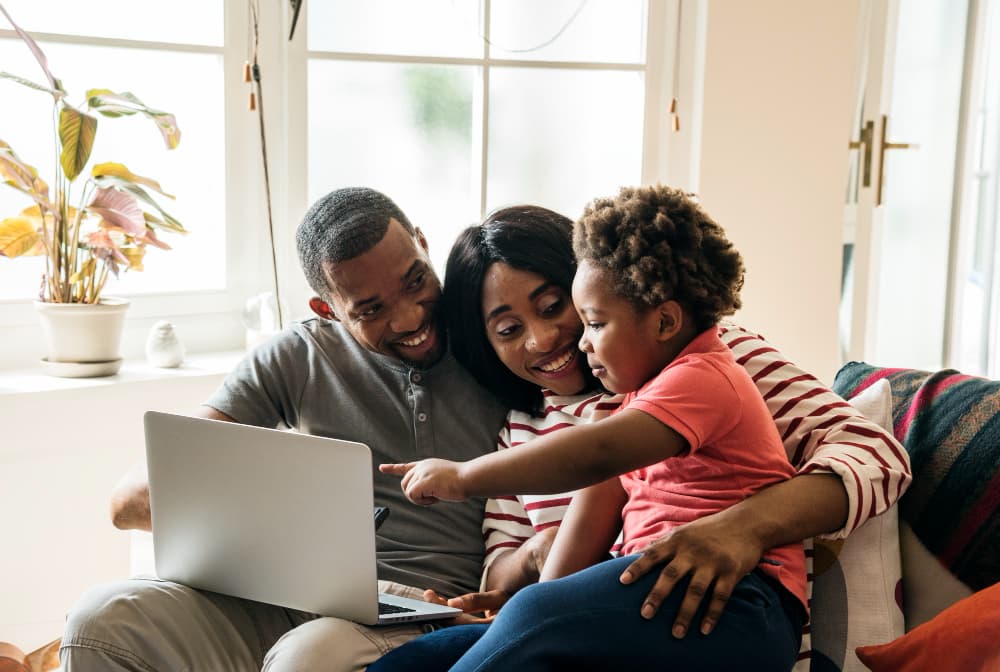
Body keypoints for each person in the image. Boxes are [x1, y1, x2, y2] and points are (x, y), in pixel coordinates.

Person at [371, 189, 911, 671]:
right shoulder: (526, 427)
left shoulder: (710, 363)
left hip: (730, 613)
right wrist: (530, 580)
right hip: (614, 625)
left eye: (561, 309)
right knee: (420, 658)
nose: (546, 339)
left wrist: (745, 527)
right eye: (510, 330)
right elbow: (548, 554)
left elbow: (877, 457)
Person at [58, 187, 510, 672]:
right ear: (327, 310)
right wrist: (281, 537)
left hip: (418, 610)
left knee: (305, 657)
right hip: (289, 595)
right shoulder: (301, 355)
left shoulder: (499, 338)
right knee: (99, 623)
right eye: (371, 309)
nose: (410, 316)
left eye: (415, 280)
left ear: (422, 243)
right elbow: (130, 502)